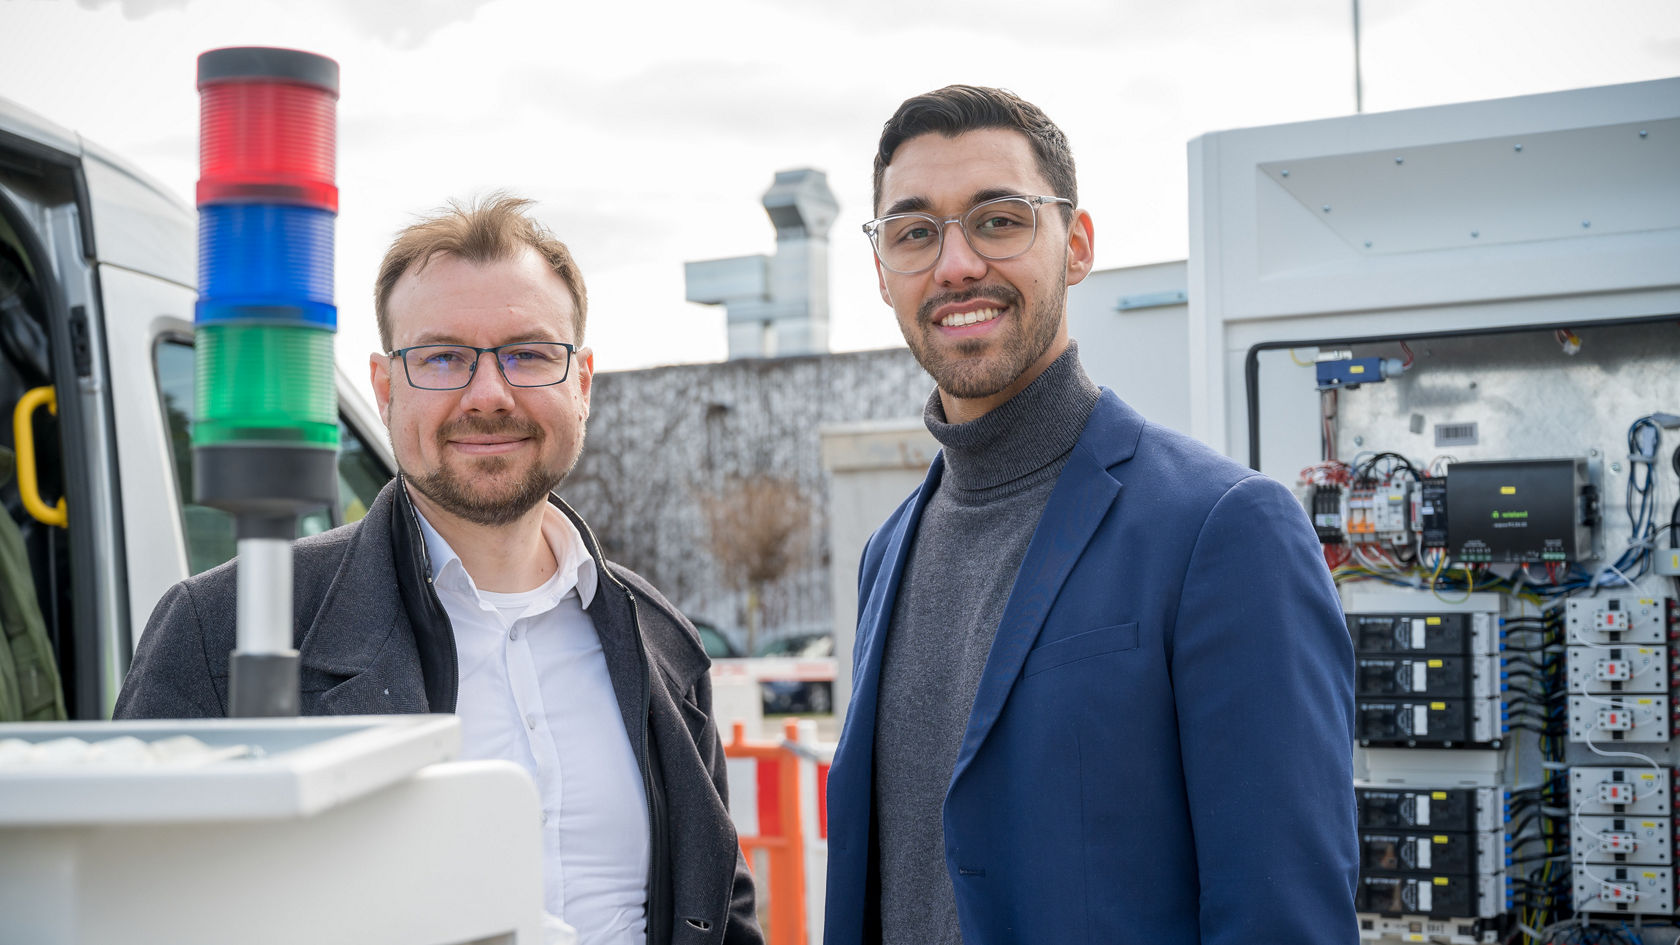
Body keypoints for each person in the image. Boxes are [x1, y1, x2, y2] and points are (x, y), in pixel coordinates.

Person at [116, 196, 761, 945]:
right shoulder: (221, 633)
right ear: (385, 388)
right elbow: (130, 906)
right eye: (442, 357)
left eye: (528, 354)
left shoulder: (663, 642)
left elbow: (723, 910)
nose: (488, 395)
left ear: (581, 383)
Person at [822, 86, 1357, 945]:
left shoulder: (1223, 529)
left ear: (1076, 247)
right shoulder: (888, 552)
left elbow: (1283, 917)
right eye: (915, 232)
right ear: (883, 272)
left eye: (999, 220)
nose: (955, 264)